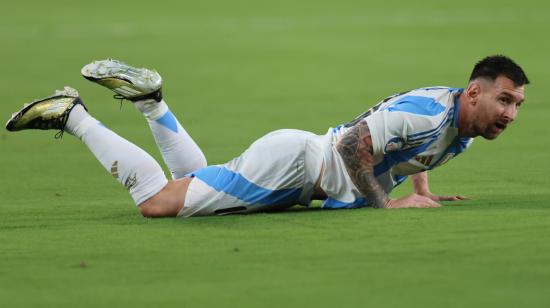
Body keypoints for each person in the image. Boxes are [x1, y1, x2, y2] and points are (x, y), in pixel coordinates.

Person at [5, 55, 529, 217]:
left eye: (517, 105)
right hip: (298, 165)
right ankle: (73, 115)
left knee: (190, 179)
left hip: (298, 173)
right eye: (505, 100)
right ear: (474, 93)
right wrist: (386, 206)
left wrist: (423, 192)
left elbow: (415, 157)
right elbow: (353, 146)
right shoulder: (428, 114)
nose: (511, 113)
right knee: (157, 204)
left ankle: (151, 102)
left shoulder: (461, 126)